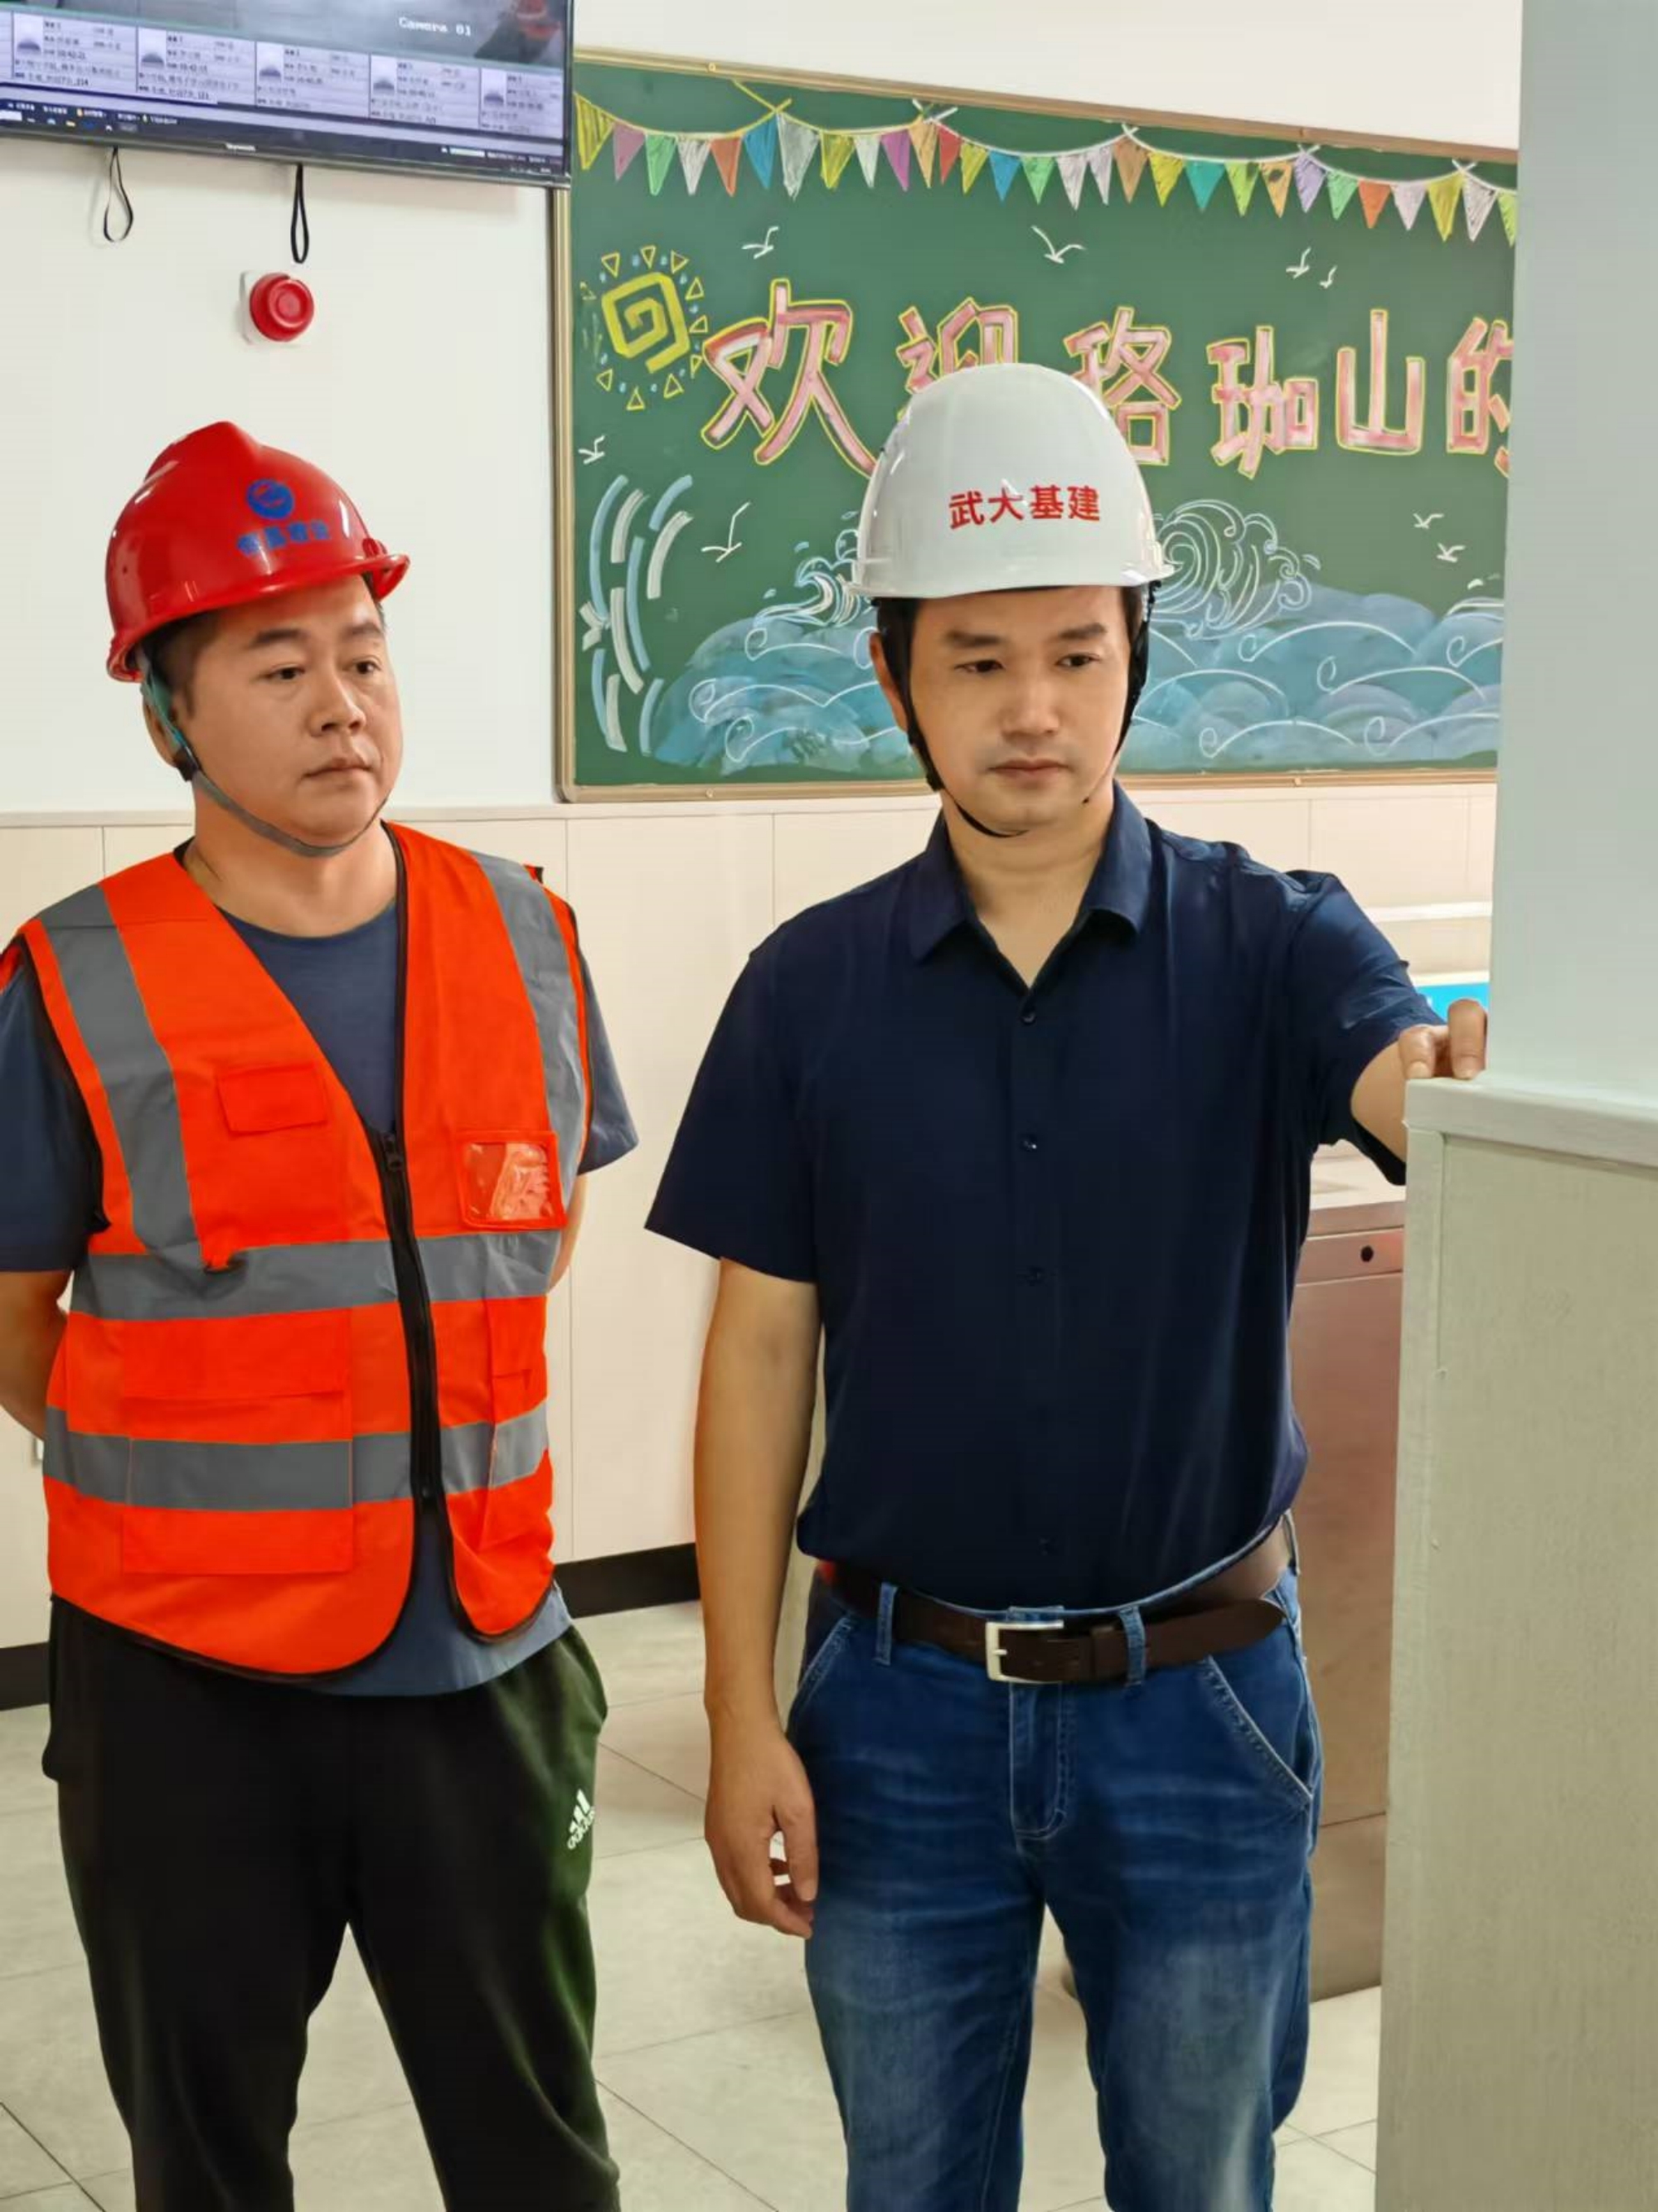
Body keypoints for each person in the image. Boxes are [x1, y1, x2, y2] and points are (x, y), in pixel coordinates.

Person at [648, 362, 1489, 2212]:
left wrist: (1468, 1087)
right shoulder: (806, 992)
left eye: (1077, 654)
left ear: (1134, 659)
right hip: (894, 1706)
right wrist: (738, 1712)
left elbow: (1409, 1088)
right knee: (912, 2183)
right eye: (977, 659)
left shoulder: (1274, 941)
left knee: (1199, 2180)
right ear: (896, 679)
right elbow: (757, 1356)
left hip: (1200, 1698)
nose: (1033, 708)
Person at [0, 424, 634, 2212]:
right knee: (207, 2161)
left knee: (538, 2153)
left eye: (364, 653)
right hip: (185, 1695)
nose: (341, 702)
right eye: (278, 667)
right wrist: (217, 1470)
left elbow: (532, 1241)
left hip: (485, 1665)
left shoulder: (525, 935)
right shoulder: (76, 976)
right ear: (169, 717)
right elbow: (15, 1318)